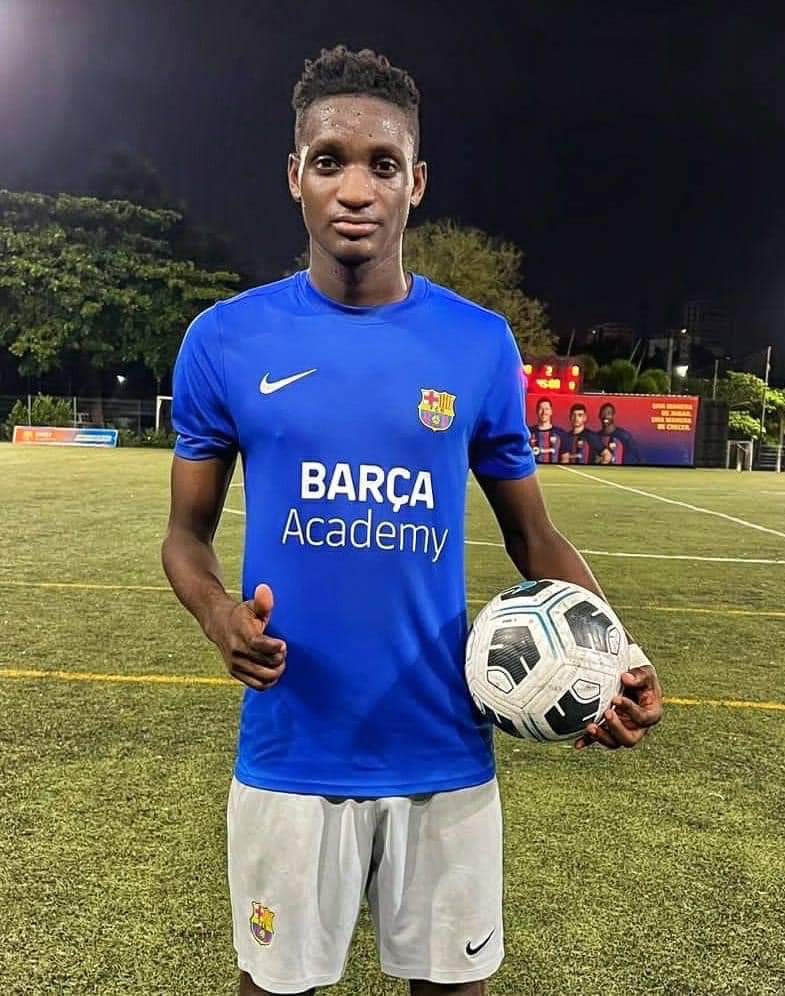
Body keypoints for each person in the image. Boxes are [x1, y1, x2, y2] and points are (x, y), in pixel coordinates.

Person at [161, 45, 663, 996]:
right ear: (295, 176)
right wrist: (217, 615)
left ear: (415, 183)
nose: (355, 189)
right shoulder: (225, 341)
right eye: (329, 161)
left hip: (443, 748)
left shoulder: (476, 343)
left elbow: (533, 537)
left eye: (381, 164)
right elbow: (185, 536)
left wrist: (618, 657)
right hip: (292, 746)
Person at [528, 397, 566, 464]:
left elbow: (565, 459)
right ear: (537, 411)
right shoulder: (528, 433)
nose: (544, 412)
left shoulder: (561, 433)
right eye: (541, 409)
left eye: (547, 409)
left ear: (551, 411)